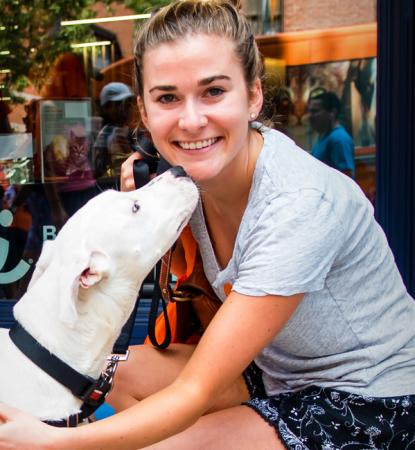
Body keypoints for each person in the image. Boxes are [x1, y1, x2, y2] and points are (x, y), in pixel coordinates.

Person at [1, 1, 415, 449]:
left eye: (214, 91)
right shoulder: (187, 183)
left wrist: (46, 443)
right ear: (144, 110)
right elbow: (203, 315)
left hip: (366, 397)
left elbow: (194, 392)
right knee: (110, 374)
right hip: (271, 372)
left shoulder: (299, 204)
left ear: (253, 94)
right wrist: (151, 212)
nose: (191, 120)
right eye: (167, 98)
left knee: (157, 444)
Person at [92, 82, 138, 180]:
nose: (125, 109)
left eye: (128, 103)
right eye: (119, 104)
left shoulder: (135, 132)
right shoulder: (103, 135)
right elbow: (99, 170)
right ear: (106, 108)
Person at [308, 91, 355, 177]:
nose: (310, 116)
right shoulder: (324, 137)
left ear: (332, 113)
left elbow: (346, 176)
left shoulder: (339, 139)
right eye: (309, 111)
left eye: (315, 111)